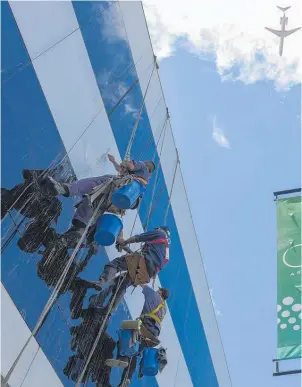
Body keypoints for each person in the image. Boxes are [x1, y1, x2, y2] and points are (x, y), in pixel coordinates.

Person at [42, 154, 155, 247]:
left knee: (93, 183)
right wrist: (113, 161)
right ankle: (79, 234)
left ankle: (65, 189)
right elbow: (122, 170)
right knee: (90, 201)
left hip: (118, 187)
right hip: (117, 202)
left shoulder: (143, 166)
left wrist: (127, 163)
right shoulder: (143, 184)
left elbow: (130, 166)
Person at [73, 226, 171, 316]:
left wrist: (125, 242)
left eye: (158, 229)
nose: (157, 230)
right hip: (145, 275)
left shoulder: (160, 234)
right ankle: (109, 310)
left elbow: (139, 237)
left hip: (142, 262)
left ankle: (101, 282)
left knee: (115, 264)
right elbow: (148, 266)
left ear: (162, 231)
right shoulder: (166, 255)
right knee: (123, 285)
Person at [106, 285, 170, 387]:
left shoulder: (153, 294)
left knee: (124, 334)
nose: (157, 290)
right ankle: (127, 379)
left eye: (159, 290)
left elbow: (142, 282)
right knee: (134, 353)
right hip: (153, 337)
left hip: (144, 327)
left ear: (160, 292)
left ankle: (122, 358)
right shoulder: (164, 308)